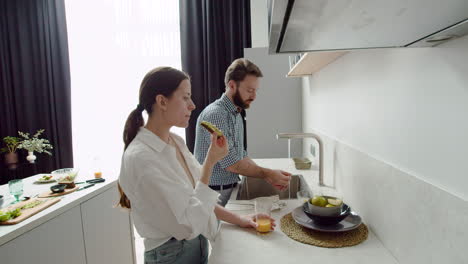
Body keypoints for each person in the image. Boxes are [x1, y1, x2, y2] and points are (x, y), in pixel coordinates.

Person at [118, 67, 275, 264]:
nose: (192, 105)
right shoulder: (142, 158)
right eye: (185, 98)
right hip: (171, 253)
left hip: (196, 244)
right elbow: (189, 224)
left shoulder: (175, 141)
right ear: (162, 101)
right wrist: (210, 161)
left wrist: (241, 219)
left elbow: (198, 201)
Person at [194, 58, 292, 207]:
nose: (254, 96)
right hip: (215, 193)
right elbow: (232, 164)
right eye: (249, 90)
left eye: (255, 90)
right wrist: (268, 174)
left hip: (228, 189)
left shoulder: (236, 113)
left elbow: (240, 155)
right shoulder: (216, 115)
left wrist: (269, 177)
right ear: (232, 85)